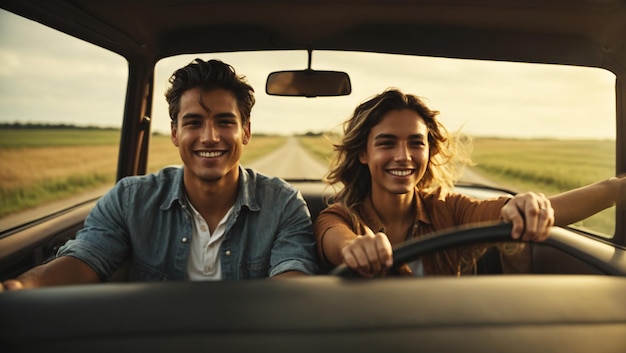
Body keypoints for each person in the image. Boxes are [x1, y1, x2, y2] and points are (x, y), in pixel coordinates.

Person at [1, 58, 319, 290]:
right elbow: (86, 258)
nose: (210, 137)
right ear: (174, 133)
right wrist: (19, 287)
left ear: (245, 132)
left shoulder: (283, 203)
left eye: (225, 121)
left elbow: (293, 282)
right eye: (194, 122)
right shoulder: (130, 199)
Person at [314, 88, 626, 277]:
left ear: (429, 150)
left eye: (416, 143)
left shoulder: (448, 209)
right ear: (363, 154)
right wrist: (357, 248)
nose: (404, 156)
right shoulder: (340, 217)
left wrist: (527, 204)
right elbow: (339, 243)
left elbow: (519, 212)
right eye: (386, 143)